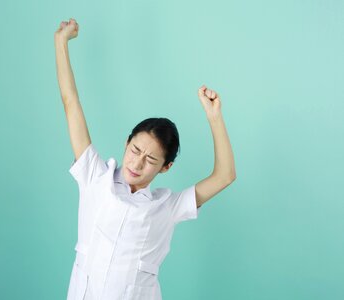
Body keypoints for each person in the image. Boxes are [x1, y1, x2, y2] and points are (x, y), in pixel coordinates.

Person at [54, 18, 236, 300]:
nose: (137, 163)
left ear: (166, 167)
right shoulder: (94, 177)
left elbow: (225, 176)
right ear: (126, 143)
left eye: (151, 160)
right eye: (135, 150)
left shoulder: (167, 207)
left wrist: (214, 117)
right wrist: (61, 42)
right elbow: (70, 102)